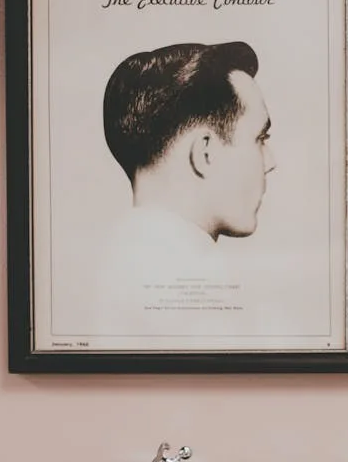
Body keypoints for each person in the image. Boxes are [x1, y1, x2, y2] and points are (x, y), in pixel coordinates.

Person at [94, 41, 276, 335]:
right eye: (260, 138)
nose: (270, 161)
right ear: (206, 153)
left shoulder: (108, 267)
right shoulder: (207, 289)